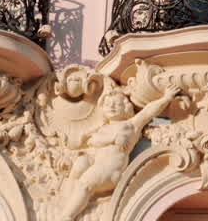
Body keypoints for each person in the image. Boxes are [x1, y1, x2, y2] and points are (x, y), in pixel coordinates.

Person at [56, 84, 181, 221]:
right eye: (108, 104)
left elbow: (147, 112)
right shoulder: (102, 128)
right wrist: (110, 139)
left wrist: (166, 98)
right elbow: (87, 142)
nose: (111, 107)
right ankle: (68, 203)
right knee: (80, 164)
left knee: (85, 183)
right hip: (97, 164)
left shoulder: (130, 125)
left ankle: (67, 216)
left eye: (116, 104)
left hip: (111, 169)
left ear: (125, 107)